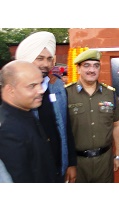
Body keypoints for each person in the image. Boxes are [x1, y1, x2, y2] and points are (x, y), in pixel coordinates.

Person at [15, 31, 77, 183]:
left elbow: (66, 126)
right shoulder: (14, 92)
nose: (46, 64)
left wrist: (71, 163)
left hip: (58, 167)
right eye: (40, 58)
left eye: (49, 59)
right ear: (28, 59)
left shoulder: (57, 87)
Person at [66, 49, 119, 183]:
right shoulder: (66, 94)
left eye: (96, 66)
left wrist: (118, 155)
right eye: (86, 65)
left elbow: (116, 125)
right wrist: (67, 163)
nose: (92, 70)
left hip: (104, 162)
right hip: (77, 163)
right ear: (78, 69)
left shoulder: (110, 94)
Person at [0, 60, 56, 182]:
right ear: (10, 90)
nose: (41, 90)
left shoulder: (24, 112)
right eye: (32, 86)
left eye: (40, 84)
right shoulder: (8, 129)